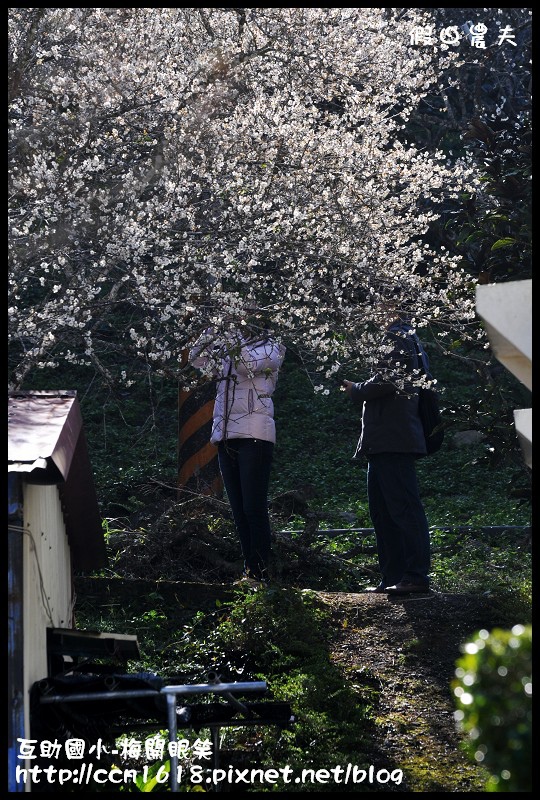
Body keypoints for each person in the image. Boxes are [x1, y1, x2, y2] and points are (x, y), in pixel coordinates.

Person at [189, 315, 286, 586]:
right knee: (238, 509)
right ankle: (250, 571)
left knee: (253, 506)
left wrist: (230, 339)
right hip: (226, 435)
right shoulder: (230, 345)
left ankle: (261, 573)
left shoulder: (271, 348)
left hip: (255, 434)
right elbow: (196, 359)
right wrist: (212, 327)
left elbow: (247, 366)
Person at [342, 312, 432, 594]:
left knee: (403, 509)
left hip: (394, 438)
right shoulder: (405, 337)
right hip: (385, 440)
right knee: (383, 511)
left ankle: (414, 575)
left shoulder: (399, 336)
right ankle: (393, 576)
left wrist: (356, 389)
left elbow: (387, 381)